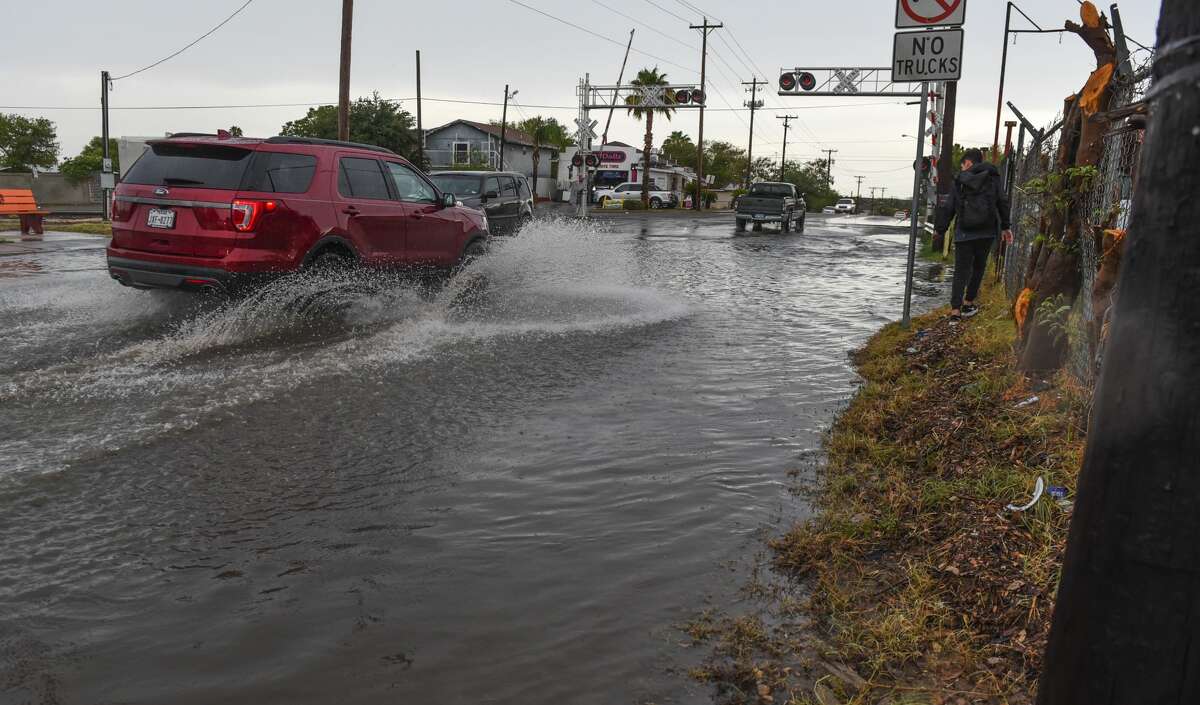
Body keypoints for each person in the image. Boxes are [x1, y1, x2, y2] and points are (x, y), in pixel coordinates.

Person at [935, 148, 1013, 321]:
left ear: (968, 163)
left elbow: (949, 207)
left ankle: (955, 311)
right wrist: (1005, 227)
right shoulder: (993, 178)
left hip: (964, 233)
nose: (963, 168)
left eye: (963, 164)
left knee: (961, 270)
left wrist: (940, 230)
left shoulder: (960, 180)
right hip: (986, 232)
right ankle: (968, 303)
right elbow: (1002, 201)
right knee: (978, 268)